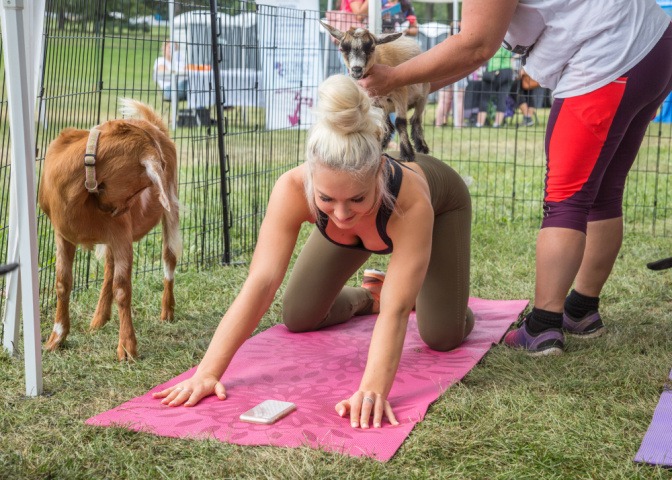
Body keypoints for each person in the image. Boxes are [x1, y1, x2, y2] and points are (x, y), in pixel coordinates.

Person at [153, 74, 474, 427]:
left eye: (356, 199)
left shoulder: (409, 202)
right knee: (300, 315)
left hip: (444, 206)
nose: (340, 213)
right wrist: (207, 372)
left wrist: (372, 389)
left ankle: (444, 302)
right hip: (363, 221)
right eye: (325, 199)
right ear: (310, 180)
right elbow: (261, 282)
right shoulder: (292, 188)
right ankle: (372, 294)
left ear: (379, 174)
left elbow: (397, 313)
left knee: (442, 335)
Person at [358, 0, 672, 355]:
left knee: (566, 199)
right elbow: (476, 49)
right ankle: (581, 311)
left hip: (609, 56)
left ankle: (543, 326)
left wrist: (396, 77)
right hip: (652, 45)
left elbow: (475, 45)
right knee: (602, 192)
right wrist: (406, 87)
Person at [476, 46, 514, 128]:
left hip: (493, 70)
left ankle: (479, 123)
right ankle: (497, 124)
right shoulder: (509, 42)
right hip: (507, 71)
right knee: (502, 98)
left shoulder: (494, 40)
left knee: (484, 98)